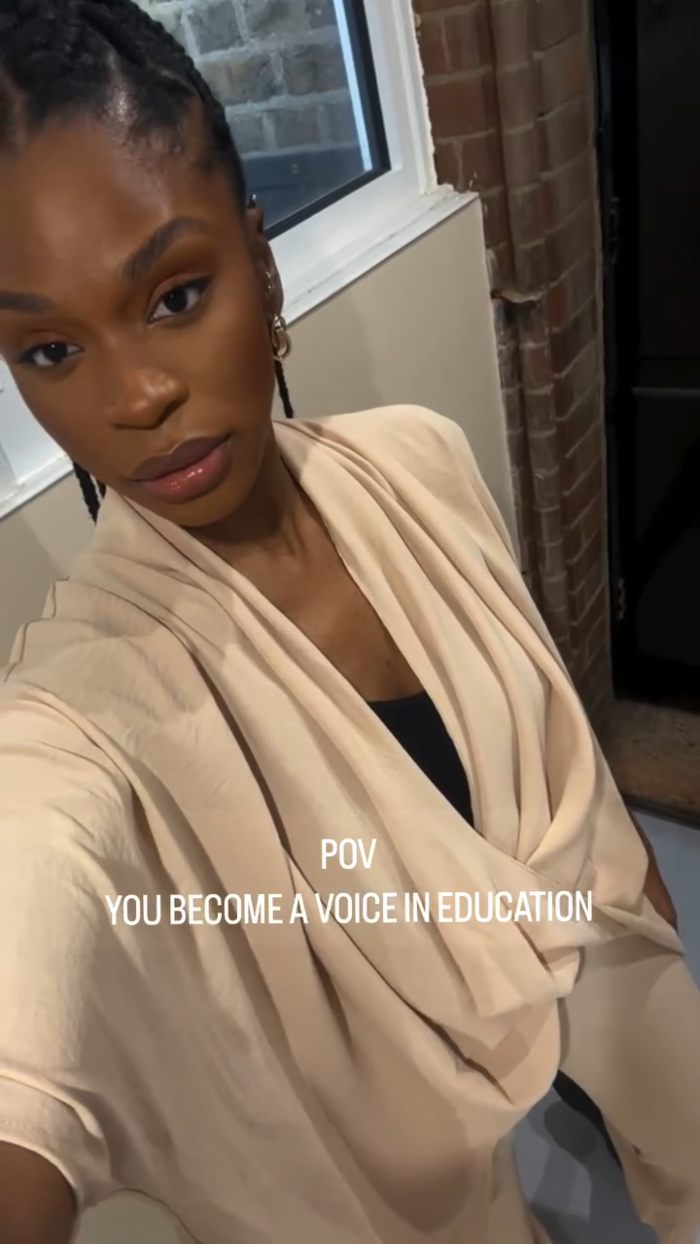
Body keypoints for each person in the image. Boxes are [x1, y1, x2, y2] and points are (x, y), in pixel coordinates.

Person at [0, 3, 698, 1242]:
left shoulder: (415, 465)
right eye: (50, 348)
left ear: (261, 265)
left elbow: (564, 782)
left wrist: (641, 906)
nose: (134, 392)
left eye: (174, 293)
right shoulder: (77, 713)